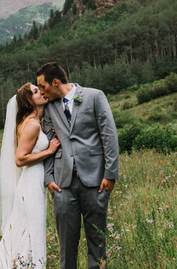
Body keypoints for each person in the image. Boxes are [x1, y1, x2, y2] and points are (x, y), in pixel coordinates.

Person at [37, 62, 119, 269]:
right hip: (62, 185)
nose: (42, 92)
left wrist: (110, 175)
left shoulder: (94, 96)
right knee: (66, 245)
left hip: (96, 181)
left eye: (43, 87)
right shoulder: (49, 107)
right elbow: (48, 143)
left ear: (56, 82)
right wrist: (49, 179)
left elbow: (108, 136)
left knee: (97, 242)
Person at [0, 83, 61, 269]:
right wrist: (50, 150)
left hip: (32, 181)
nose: (41, 92)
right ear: (29, 101)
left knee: (30, 230)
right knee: (32, 231)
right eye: (36, 91)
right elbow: (20, 159)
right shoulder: (32, 125)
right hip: (30, 184)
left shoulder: (33, 122)